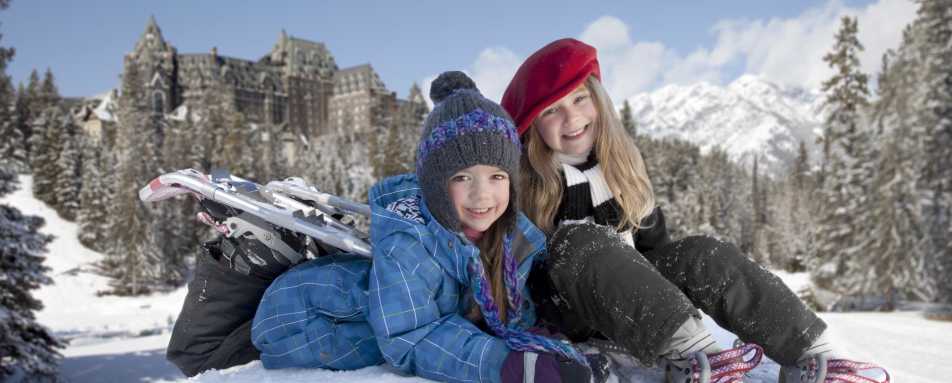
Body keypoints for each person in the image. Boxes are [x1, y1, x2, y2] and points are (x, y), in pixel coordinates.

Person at [500, 38, 890, 383]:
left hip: (634, 307)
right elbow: (510, 271)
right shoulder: (528, 182)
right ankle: (695, 354)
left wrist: (674, 278)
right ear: (533, 125)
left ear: (598, 101)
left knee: (700, 253)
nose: (572, 118)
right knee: (581, 238)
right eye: (553, 110)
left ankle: (812, 353)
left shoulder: (622, 169)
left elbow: (656, 250)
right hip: (566, 311)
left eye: (580, 99)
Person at [249, 71, 613, 383]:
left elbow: (509, 316)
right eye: (461, 177)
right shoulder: (409, 242)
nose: (481, 194)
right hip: (299, 319)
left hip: (353, 311)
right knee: (382, 341)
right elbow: (414, 337)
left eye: (497, 176)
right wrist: (511, 366)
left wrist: (547, 349)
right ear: (437, 184)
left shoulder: (507, 239)